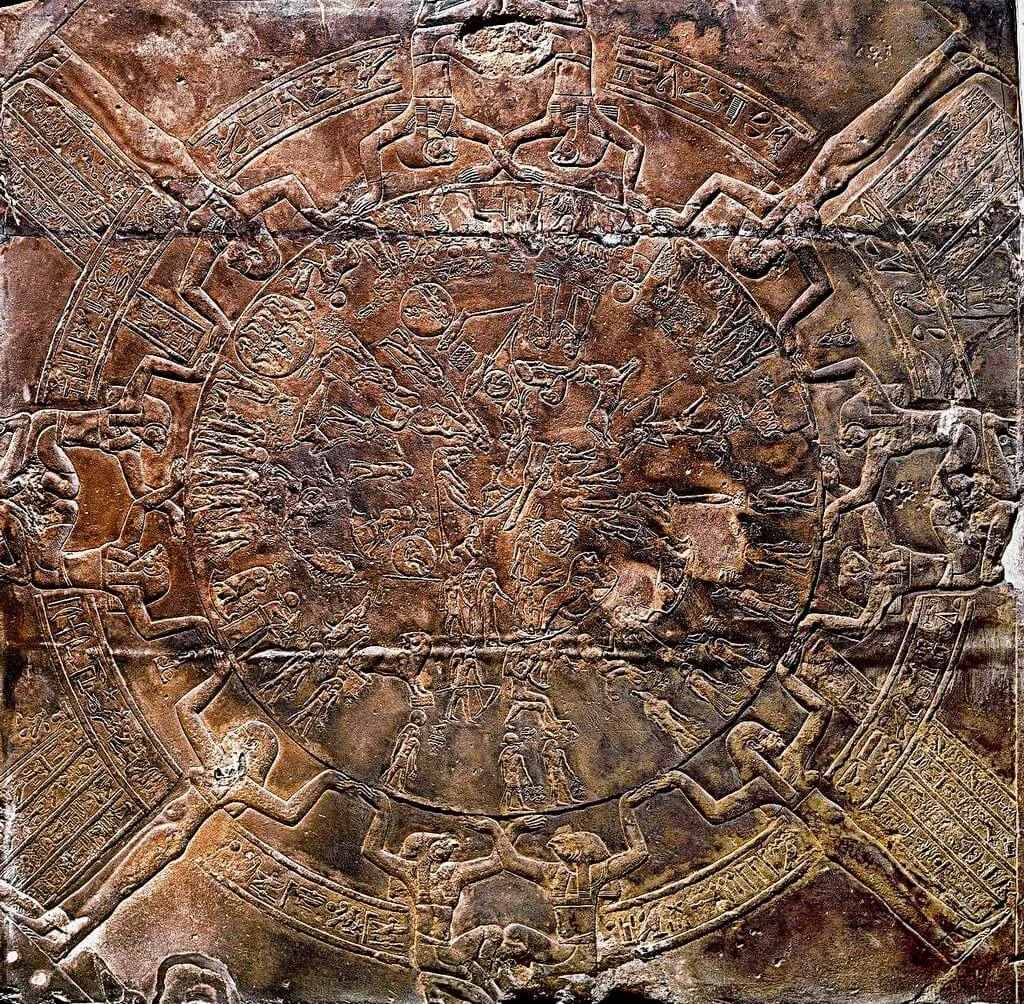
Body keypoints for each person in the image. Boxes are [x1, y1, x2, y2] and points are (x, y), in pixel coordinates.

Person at [651, 25, 1007, 345]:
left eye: (763, 259)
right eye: (768, 265)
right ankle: (965, 69)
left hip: (835, 157)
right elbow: (820, 287)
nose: (773, 262)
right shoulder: (795, 241)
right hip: (846, 174)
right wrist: (786, 324)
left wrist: (684, 218)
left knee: (897, 103)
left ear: (755, 244)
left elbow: (717, 183)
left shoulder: (770, 211)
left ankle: (952, 44)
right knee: (907, 117)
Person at [60, 657, 359, 945]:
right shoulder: (218, 764)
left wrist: (324, 780)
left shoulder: (237, 782)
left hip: (170, 837)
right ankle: (59, 917)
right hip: (159, 829)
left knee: (119, 884)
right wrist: (217, 678)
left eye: (237, 733)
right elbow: (185, 710)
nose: (229, 734)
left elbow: (289, 811)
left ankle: (71, 933)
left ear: (249, 747)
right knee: (107, 872)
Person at [489, 793, 648, 974]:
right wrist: (498, 830)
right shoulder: (553, 873)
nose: (554, 846)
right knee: (513, 932)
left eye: (564, 843)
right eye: (558, 843)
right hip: (562, 950)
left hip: (581, 954)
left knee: (531, 962)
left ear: (582, 848)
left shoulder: (595, 873)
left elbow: (639, 852)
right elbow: (511, 861)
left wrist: (625, 808)